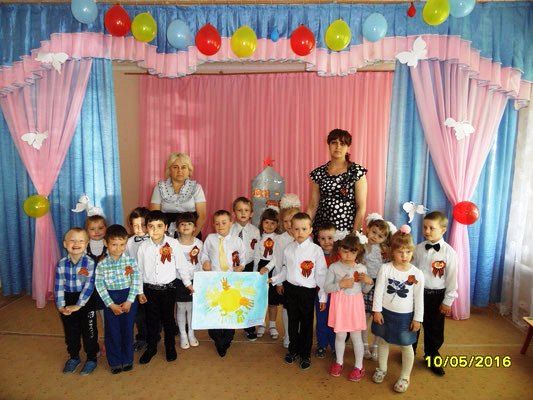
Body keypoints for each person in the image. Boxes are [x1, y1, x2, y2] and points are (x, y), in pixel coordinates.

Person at [270, 212, 327, 370]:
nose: (300, 232)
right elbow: (285, 270)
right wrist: (274, 279)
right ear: (291, 230)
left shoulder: (316, 250)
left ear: (310, 230)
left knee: (307, 324)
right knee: (293, 322)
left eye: (304, 229)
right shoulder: (289, 249)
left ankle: (305, 354)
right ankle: (293, 349)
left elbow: (321, 275)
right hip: (291, 290)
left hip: (307, 292)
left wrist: (322, 297)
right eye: (296, 229)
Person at [371, 226, 425, 393]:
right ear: (392, 252)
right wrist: (377, 310)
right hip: (385, 313)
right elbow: (378, 291)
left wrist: (418, 319)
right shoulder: (385, 269)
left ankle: (405, 376)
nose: (404, 256)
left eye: (408, 252)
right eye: (400, 252)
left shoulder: (417, 274)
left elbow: (419, 299)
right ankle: (382, 368)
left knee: (406, 345)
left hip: (405, 317)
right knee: (383, 340)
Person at [137, 211, 192, 365]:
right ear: (146, 228)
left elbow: (182, 266)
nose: (155, 230)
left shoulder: (173, 244)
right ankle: (151, 347)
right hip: (149, 290)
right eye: (151, 226)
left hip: (168, 290)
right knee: (151, 321)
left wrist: (188, 283)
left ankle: (170, 347)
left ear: (166, 227)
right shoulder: (143, 247)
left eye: (159, 226)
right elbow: (139, 271)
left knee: (168, 320)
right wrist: (140, 291)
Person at [413, 211, 458, 376]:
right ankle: (409, 352)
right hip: (417, 294)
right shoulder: (418, 248)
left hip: (436, 296)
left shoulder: (449, 253)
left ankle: (431, 355)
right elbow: (411, 269)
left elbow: (452, 279)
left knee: (434, 328)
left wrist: (448, 301)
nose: (427, 231)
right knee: (413, 324)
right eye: (424, 227)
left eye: (431, 228)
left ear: (443, 230)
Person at [325, 234, 373, 381]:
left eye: (352, 252)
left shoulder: (361, 268)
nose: (348, 255)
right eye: (345, 251)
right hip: (340, 306)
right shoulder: (334, 267)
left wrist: (369, 282)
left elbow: (364, 290)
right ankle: (339, 362)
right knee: (340, 335)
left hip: (355, 306)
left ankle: (359, 366)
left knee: (356, 336)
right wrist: (340, 284)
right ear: (339, 249)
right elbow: (327, 288)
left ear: (358, 252)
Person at [95, 224, 140, 374]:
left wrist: (129, 301)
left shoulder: (131, 261)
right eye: (114, 244)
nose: (118, 248)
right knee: (112, 331)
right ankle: (114, 361)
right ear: (106, 243)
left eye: (122, 244)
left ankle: (127, 359)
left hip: (128, 299)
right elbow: (99, 285)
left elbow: (136, 281)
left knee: (127, 330)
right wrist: (111, 304)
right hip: (111, 300)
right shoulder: (102, 264)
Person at [200, 210, 246, 357]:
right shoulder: (210, 239)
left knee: (229, 309)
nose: (220, 226)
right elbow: (204, 254)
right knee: (215, 309)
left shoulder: (237, 241)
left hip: (231, 280)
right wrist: (205, 261)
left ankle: (227, 337)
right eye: (217, 223)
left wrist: (241, 266)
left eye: (224, 222)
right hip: (214, 281)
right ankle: (217, 338)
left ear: (231, 223)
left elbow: (243, 257)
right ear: (213, 224)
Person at [55, 228, 98, 375]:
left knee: (89, 332)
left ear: (86, 244)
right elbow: (59, 286)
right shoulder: (61, 264)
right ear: (65, 244)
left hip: (86, 300)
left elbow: (89, 286)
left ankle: (91, 358)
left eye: (80, 241)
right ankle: (74, 356)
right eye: (72, 240)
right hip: (68, 300)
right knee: (71, 332)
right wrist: (61, 305)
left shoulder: (90, 263)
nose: (76, 244)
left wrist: (79, 305)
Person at [307, 129, 368, 232]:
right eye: (334, 142)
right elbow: (312, 206)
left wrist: (355, 234)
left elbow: (361, 207)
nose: (338, 147)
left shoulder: (356, 172)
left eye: (342, 144)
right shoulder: (318, 173)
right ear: (329, 145)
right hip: (322, 232)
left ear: (348, 147)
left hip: (347, 231)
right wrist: (303, 229)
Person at [150, 152, 206, 238]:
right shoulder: (159, 188)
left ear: (189, 170)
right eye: (175, 167)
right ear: (169, 170)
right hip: (165, 235)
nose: (179, 171)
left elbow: (202, 216)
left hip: (191, 233)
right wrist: (164, 238)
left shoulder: (196, 188)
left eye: (183, 167)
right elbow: (155, 216)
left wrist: (191, 238)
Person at [362, 213, 395, 361]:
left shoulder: (385, 251)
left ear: (385, 239)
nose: (375, 237)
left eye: (380, 236)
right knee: (365, 318)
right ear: (368, 229)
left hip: (380, 287)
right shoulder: (362, 245)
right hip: (365, 285)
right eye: (374, 232)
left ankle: (375, 345)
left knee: (379, 318)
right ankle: (364, 346)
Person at [229, 196, 261, 341]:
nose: (243, 213)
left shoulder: (255, 231)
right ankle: (230, 326)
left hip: (248, 266)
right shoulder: (229, 229)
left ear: (251, 213)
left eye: (246, 210)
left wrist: (255, 270)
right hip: (233, 266)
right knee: (232, 295)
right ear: (234, 212)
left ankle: (249, 326)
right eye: (239, 210)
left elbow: (257, 252)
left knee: (247, 297)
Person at [174, 212, 203, 349]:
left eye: (189, 224)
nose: (186, 226)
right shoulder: (174, 244)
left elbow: (201, 262)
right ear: (177, 228)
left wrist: (202, 279)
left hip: (195, 279)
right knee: (181, 307)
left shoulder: (199, 243)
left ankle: (191, 333)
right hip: (179, 280)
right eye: (182, 224)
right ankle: (183, 334)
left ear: (195, 227)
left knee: (191, 308)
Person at [275, 198, 300, 348]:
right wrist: (278, 281)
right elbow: (278, 261)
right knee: (286, 307)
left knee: (299, 309)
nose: (289, 224)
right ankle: (288, 335)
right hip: (286, 279)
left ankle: (297, 334)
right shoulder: (280, 239)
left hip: (302, 281)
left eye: (292, 220)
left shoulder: (306, 238)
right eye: (285, 221)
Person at [125, 207, 150, 352]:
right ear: (130, 225)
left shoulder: (154, 240)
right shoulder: (129, 242)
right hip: (136, 283)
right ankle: (142, 337)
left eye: (143, 225)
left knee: (153, 312)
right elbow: (126, 261)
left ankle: (154, 334)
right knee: (139, 314)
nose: (139, 229)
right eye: (135, 225)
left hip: (152, 282)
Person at [255, 208, 282, 340]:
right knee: (261, 299)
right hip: (260, 268)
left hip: (272, 268)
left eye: (273, 223)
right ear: (262, 223)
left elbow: (276, 257)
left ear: (277, 224)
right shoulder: (258, 237)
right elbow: (256, 256)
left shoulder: (278, 238)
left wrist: (267, 267)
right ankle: (261, 323)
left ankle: (272, 325)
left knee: (272, 300)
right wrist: (256, 271)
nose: (269, 226)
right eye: (266, 222)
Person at [314, 223, 339, 358]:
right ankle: (322, 344)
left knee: (335, 320)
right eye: (323, 239)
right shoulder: (316, 254)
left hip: (336, 295)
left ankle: (335, 345)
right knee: (322, 320)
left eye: (330, 238)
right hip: (320, 294)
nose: (327, 242)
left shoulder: (340, 255)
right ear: (318, 239)